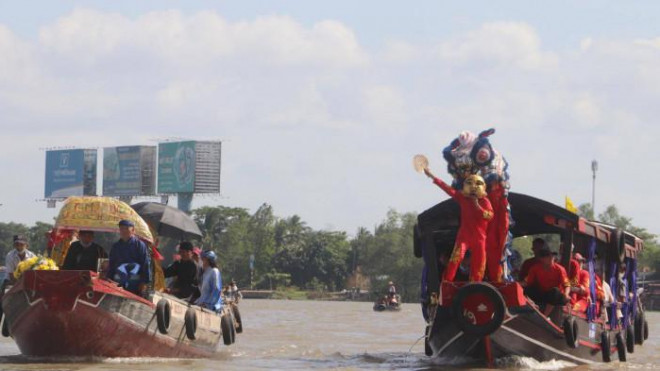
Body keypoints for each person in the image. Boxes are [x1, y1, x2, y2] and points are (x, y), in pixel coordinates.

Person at [424, 168, 494, 282]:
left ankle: (475, 284)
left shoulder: (485, 202)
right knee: (455, 259)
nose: (473, 187)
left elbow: (489, 216)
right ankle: (447, 282)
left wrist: (477, 205)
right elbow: (447, 189)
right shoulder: (463, 199)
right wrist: (432, 176)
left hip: (479, 239)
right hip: (464, 237)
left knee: (479, 263)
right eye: (470, 184)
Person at [521, 245, 570, 316]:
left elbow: (567, 285)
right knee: (527, 289)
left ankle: (544, 315)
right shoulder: (535, 268)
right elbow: (527, 282)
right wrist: (516, 284)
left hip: (555, 297)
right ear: (542, 259)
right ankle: (532, 306)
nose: (551, 258)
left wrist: (566, 294)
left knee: (555, 291)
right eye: (548, 256)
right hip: (543, 293)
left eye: (552, 256)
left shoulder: (560, 269)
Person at [106, 220, 151, 296]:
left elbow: (145, 264)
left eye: (126, 228)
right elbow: (112, 264)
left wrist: (143, 282)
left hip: (135, 282)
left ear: (133, 230)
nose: (123, 231)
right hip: (117, 281)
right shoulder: (116, 246)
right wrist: (108, 279)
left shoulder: (140, 245)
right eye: (121, 228)